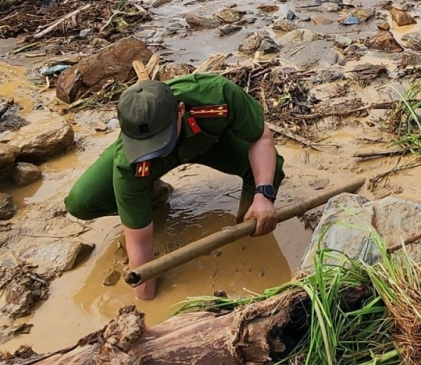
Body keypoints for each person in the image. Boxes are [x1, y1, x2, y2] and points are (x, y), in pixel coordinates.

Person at [65, 76, 284, 300]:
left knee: (269, 170)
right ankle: (152, 193)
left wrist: (263, 196)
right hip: (148, 165)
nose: (156, 150)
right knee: (82, 201)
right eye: (147, 144)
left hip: (211, 141)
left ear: (180, 110)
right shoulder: (129, 163)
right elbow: (139, 243)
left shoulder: (218, 95)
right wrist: (145, 301)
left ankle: (248, 229)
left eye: (159, 140)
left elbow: (261, 137)